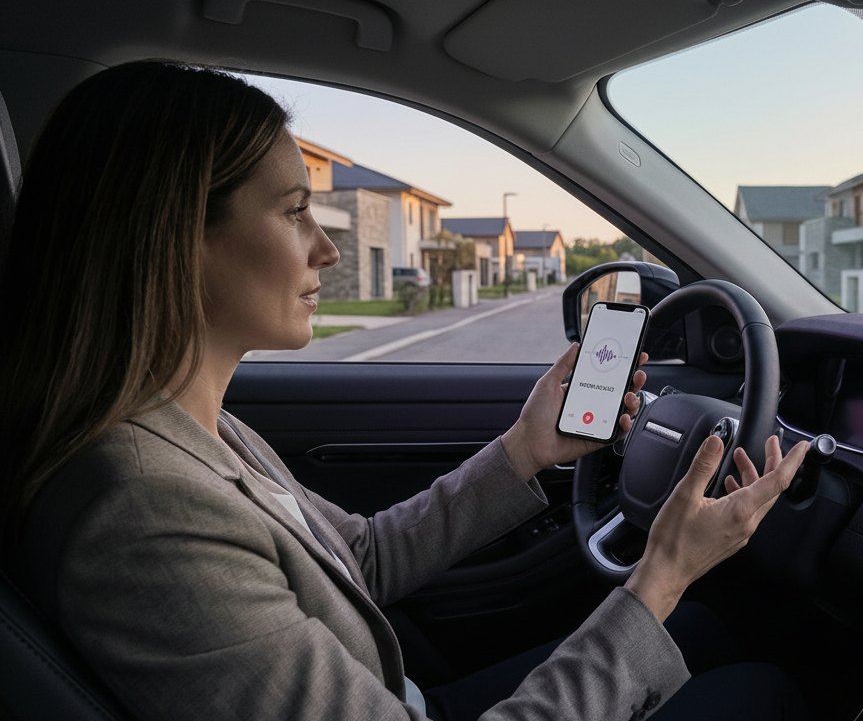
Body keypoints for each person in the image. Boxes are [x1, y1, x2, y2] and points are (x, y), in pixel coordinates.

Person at [0, 61, 810, 721]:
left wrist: (524, 450)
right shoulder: (145, 513)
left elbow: (356, 559)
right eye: (294, 212)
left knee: (700, 632)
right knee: (764, 691)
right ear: (174, 238)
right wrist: (661, 572)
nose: (325, 251)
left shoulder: (188, 426)